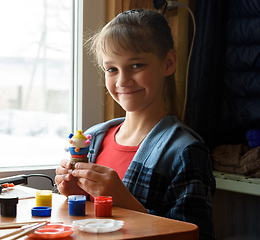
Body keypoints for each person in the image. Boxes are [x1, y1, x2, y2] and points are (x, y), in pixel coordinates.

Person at [55, 8, 215, 240]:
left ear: (168, 63)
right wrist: (75, 198)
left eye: (137, 65)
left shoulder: (185, 151)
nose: (122, 81)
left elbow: (195, 236)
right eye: (111, 69)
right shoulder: (93, 140)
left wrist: (125, 203)